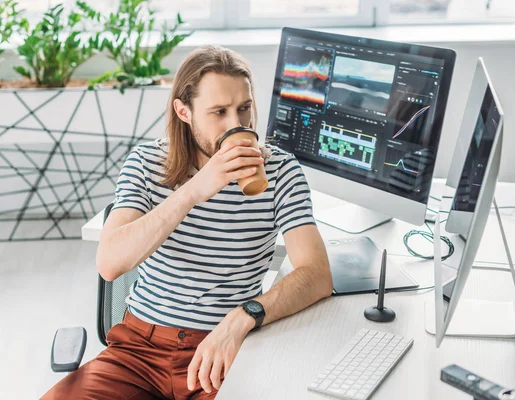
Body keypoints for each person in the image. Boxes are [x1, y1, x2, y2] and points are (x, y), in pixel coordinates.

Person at [42, 45, 333, 400]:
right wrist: (194, 190)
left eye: (244, 108)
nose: (237, 125)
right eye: (219, 112)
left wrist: (243, 317)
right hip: (138, 350)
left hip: (221, 349)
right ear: (184, 111)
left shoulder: (281, 171)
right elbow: (110, 263)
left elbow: (317, 275)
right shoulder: (147, 163)